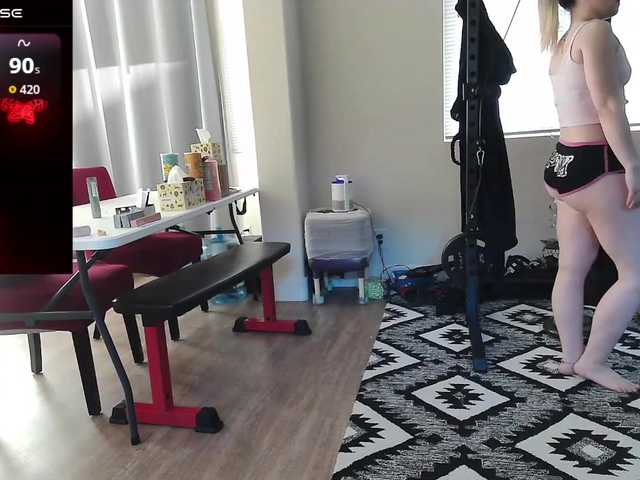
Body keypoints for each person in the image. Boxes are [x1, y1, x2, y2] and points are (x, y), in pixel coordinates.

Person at [539, 0, 639, 393]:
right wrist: (632, 164)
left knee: (571, 268)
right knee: (634, 273)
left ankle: (570, 357)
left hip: (565, 164)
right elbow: (608, 104)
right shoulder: (595, 32)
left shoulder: (565, 40)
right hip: (597, 164)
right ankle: (593, 361)